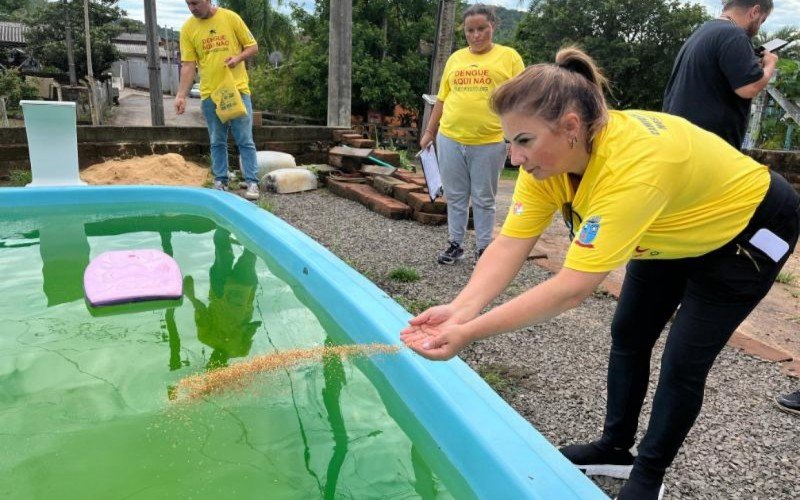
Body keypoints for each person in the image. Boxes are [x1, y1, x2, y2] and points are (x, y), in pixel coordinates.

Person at [401, 46, 799, 500]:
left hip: (748, 232)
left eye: (524, 141)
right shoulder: (549, 163)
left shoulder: (632, 169)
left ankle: (649, 475)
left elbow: (572, 288)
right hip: (669, 227)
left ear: (571, 127)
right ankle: (615, 447)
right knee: (629, 331)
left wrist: (469, 332)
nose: (513, 158)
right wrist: (459, 309)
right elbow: (511, 243)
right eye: (508, 141)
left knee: (683, 361)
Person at [420, 3, 524, 265]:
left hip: (489, 141)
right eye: (470, 30)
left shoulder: (509, 57)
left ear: (493, 27)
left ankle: (484, 249)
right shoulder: (455, 59)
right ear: (464, 32)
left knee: (483, 198)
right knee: (455, 195)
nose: (476, 35)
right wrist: (430, 131)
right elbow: (442, 99)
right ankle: (455, 244)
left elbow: (520, 101)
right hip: (451, 138)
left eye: (481, 29)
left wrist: (517, 138)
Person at [662, 0, 777, 149]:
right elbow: (749, 88)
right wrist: (770, 64)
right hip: (707, 146)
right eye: (762, 20)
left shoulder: (705, 30)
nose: (759, 28)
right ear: (754, 11)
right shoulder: (734, 34)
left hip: (682, 137)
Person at [175, 0, 261, 200]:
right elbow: (188, 65)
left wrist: (237, 58)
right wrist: (181, 95)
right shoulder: (188, 28)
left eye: (195, 3)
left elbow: (253, 46)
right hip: (209, 93)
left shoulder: (230, 18)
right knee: (216, 140)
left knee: (244, 139)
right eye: (188, 4)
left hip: (236, 90)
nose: (192, 8)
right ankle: (221, 180)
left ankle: (252, 182)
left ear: (208, 0)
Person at [184, 228, 261, 368]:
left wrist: (191, 296)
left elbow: (252, 328)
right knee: (225, 248)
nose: (214, 360)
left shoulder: (239, 350)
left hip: (236, 294)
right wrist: (190, 295)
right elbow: (200, 309)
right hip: (232, 292)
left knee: (247, 253)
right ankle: (229, 222)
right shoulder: (208, 338)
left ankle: (230, 223)